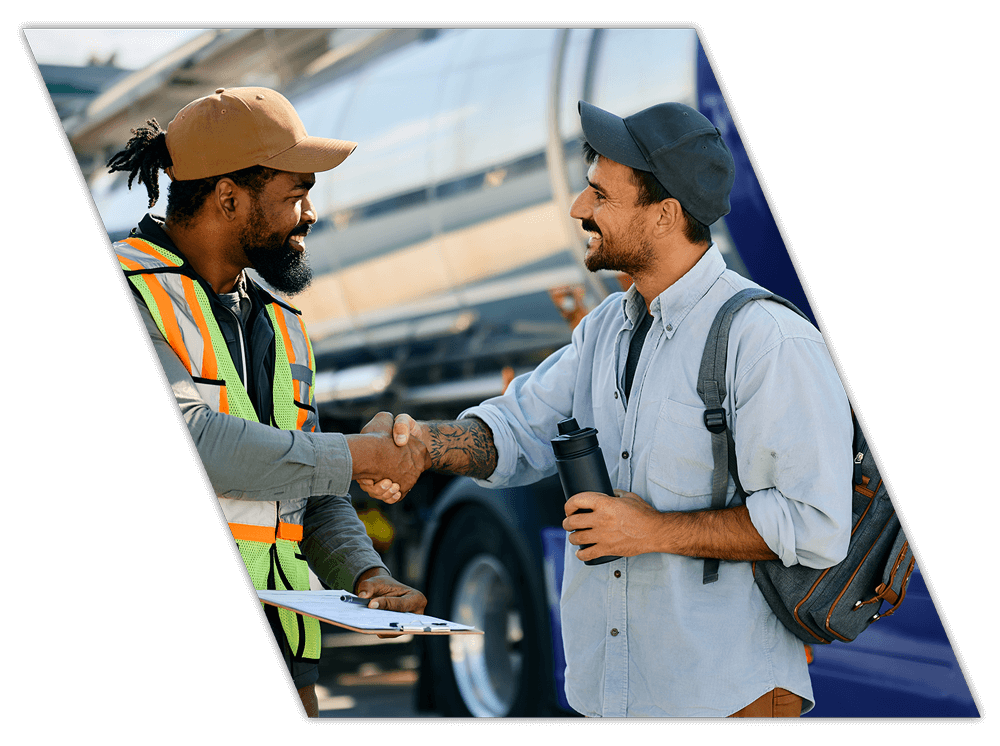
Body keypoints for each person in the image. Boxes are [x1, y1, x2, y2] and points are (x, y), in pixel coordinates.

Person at [360, 100, 853, 717]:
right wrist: (421, 447)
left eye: (600, 195)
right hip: (611, 695)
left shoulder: (767, 340)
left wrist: (652, 531)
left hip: (725, 695)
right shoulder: (605, 332)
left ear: (666, 215)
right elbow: (516, 430)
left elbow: (816, 525)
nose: (578, 209)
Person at [110, 86, 430, 717]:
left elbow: (301, 484)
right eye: (295, 194)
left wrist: (365, 575)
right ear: (229, 197)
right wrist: (361, 453)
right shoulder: (134, 288)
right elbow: (202, 443)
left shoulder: (282, 321)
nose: (309, 213)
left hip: (290, 649)